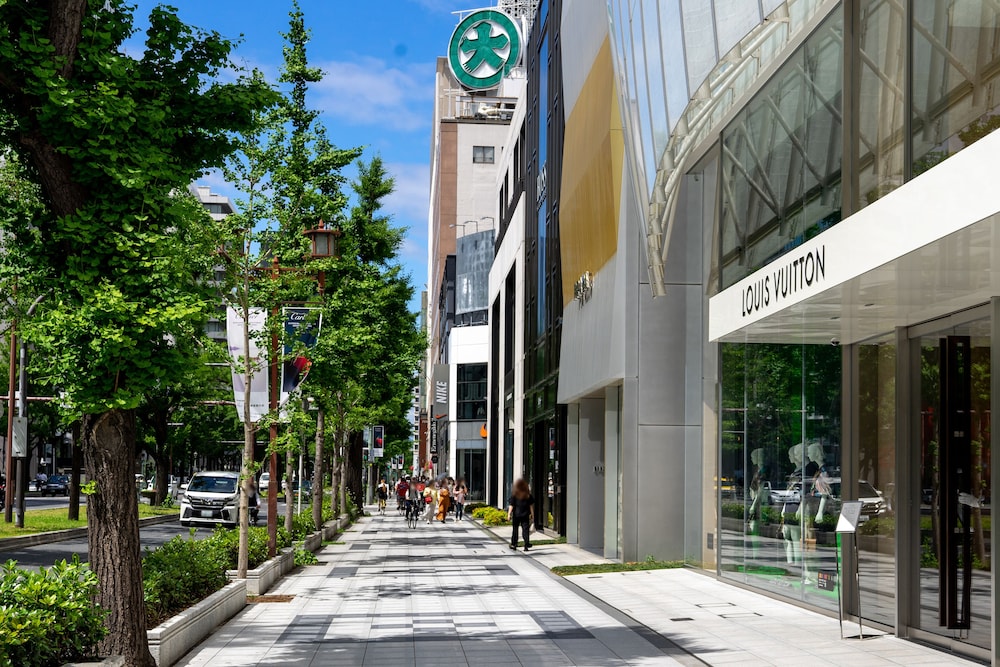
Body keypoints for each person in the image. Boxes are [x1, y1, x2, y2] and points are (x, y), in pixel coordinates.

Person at [507, 478, 534, 551]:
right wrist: (532, 514)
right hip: (525, 515)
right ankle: (526, 544)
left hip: (516, 515)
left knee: (515, 529)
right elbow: (531, 506)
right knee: (525, 530)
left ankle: (514, 544)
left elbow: (511, 505)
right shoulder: (528, 496)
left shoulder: (515, 495)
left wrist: (509, 514)